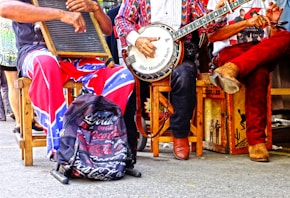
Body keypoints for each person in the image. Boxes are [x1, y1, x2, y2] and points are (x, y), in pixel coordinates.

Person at [0, 0, 135, 162]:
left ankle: (95, 140)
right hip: (36, 51)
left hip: (77, 56)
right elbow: (5, 8)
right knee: (46, 64)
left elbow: (107, 29)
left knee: (122, 77)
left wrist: (96, 8)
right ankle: (60, 146)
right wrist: (61, 14)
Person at [115, 0, 224, 160]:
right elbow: (121, 20)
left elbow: (208, 27)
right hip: (143, 55)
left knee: (185, 75)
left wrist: (218, 14)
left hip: (180, 56)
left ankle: (180, 135)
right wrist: (137, 39)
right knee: (126, 82)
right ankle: (128, 141)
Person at [207, 0, 290, 162]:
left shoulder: (265, 1)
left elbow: (273, 41)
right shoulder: (219, 2)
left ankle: (233, 68)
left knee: (287, 37)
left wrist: (273, 23)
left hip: (258, 51)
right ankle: (256, 141)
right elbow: (213, 36)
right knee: (260, 73)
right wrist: (247, 22)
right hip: (230, 52)